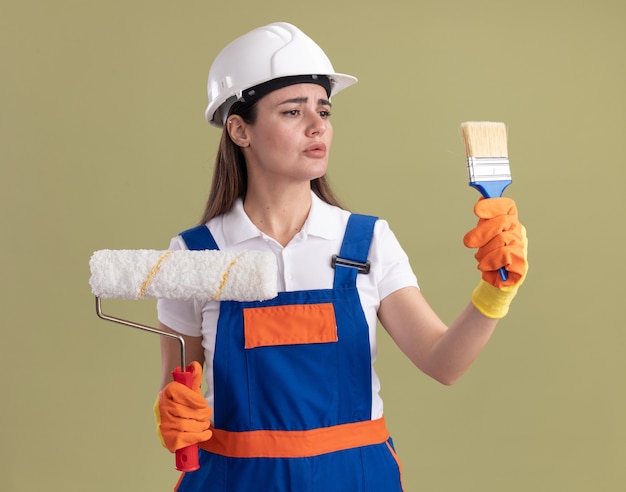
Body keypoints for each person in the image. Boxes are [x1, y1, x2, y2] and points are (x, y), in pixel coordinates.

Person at [154, 21, 528, 492]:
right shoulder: (195, 255)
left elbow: (443, 363)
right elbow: (178, 387)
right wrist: (173, 412)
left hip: (355, 479)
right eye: (292, 111)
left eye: (324, 111)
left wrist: (496, 292)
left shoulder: (366, 242)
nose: (317, 127)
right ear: (239, 129)